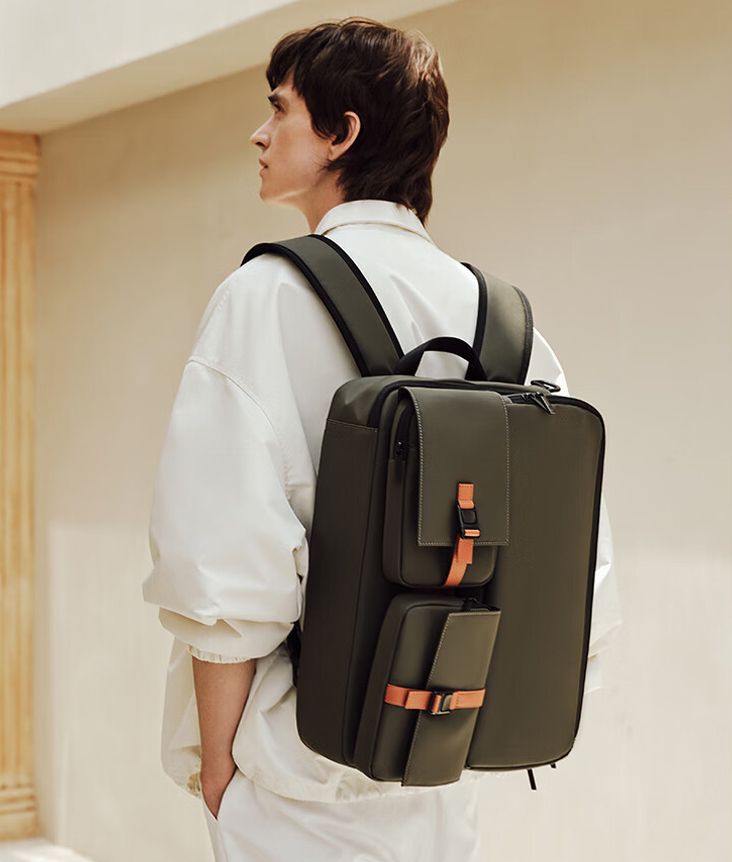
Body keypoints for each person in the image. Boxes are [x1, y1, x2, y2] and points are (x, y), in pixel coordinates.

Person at [142, 16, 622, 862]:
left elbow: (223, 570)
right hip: (445, 771)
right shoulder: (506, 322)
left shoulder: (263, 298)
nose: (260, 134)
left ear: (343, 133)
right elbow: (580, 568)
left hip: (296, 773)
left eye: (280, 110)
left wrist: (219, 769)